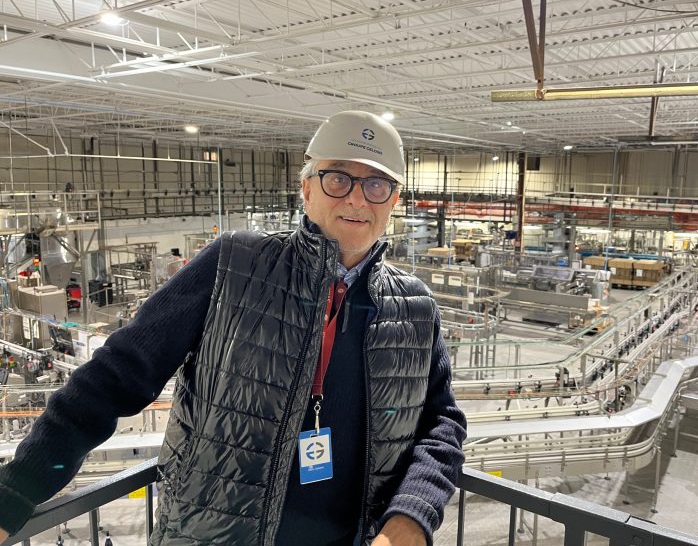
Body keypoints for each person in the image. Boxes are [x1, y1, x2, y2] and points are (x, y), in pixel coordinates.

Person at [0, 111, 467, 546]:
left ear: (394, 202)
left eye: (377, 185)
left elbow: (442, 424)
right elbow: (113, 378)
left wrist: (410, 519)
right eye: (339, 178)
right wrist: (15, 495)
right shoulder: (234, 266)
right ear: (306, 189)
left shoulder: (416, 307)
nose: (356, 198)